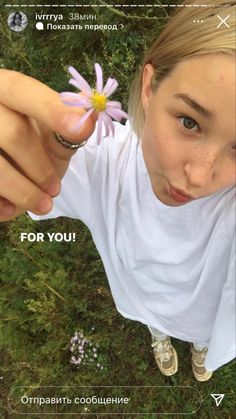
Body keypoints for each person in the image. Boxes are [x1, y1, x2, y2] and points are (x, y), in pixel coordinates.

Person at [0, 0, 235, 382]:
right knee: (153, 320)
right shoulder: (103, 160)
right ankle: (159, 336)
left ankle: (200, 345)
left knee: (198, 332)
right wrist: (20, 155)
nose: (198, 174)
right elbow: (36, 164)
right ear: (148, 87)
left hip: (203, 317)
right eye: (189, 121)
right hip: (140, 299)